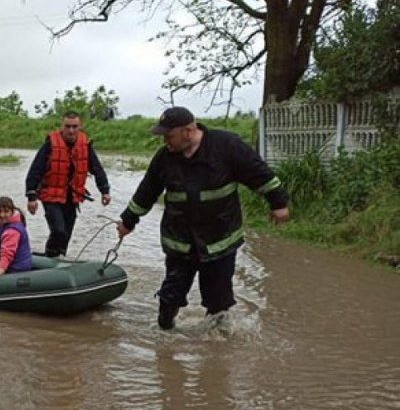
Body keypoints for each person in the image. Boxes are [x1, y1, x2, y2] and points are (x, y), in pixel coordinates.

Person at [116, 106, 290, 330]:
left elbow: (259, 174)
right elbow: (146, 192)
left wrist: (278, 204)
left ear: (188, 130)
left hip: (219, 239)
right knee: (170, 295)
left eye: (169, 136)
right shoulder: (164, 158)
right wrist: (128, 221)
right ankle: (165, 337)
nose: (165, 142)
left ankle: (216, 348)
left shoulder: (227, 146)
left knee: (218, 300)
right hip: (179, 241)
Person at [25, 111, 112, 257]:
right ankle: (50, 257)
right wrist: (31, 196)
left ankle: (57, 258)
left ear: (80, 126)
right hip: (50, 195)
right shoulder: (50, 144)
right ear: (62, 126)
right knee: (58, 231)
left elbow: (97, 168)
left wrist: (105, 190)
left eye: (74, 127)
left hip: (72, 197)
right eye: (68, 126)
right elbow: (36, 170)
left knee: (66, 235)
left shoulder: (85, 144)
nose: (71, 130)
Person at [0, 196, 32, 276]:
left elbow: (7, 253)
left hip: (15, 269)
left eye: (6, 212)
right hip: (19, 264)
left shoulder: (11, 231)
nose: (2, 215)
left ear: (12, 212)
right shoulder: (4, 224)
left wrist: (0, 270)